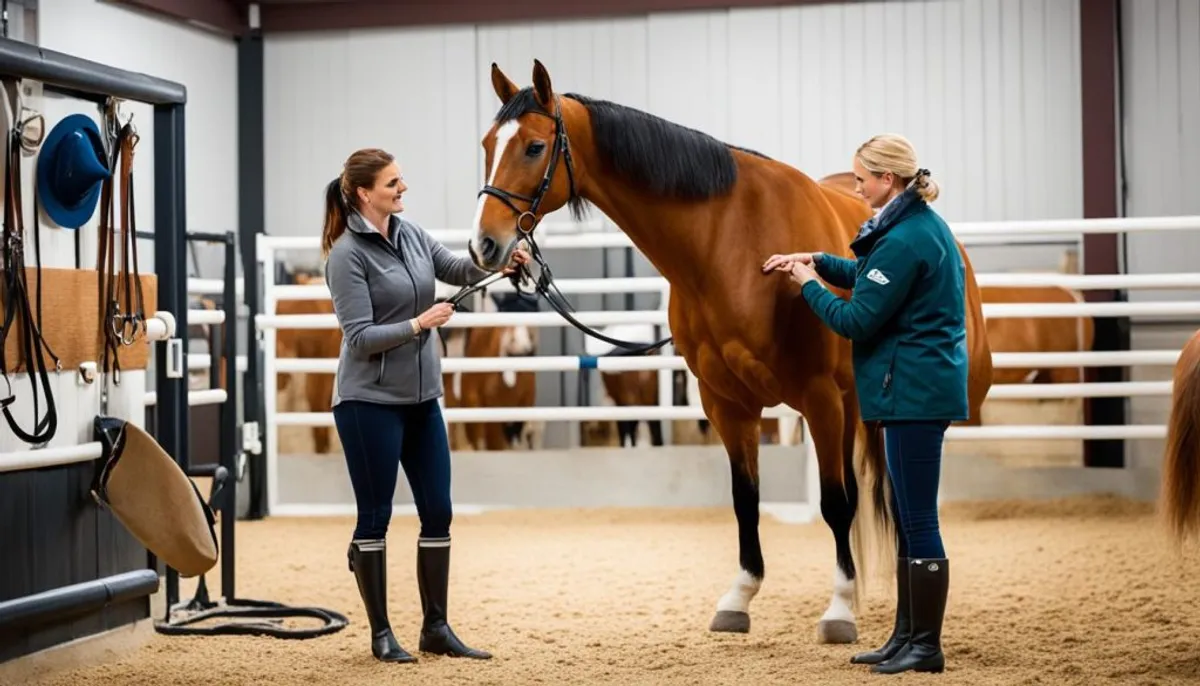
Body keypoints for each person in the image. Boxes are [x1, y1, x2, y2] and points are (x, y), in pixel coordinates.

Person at [761, 133, 965, 675]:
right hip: (911, 389)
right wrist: (817, 259)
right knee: (906, 512)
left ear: (887, 180)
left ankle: (926, 644)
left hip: (913, 394)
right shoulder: (911, 227)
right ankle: (906, 635)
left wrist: (807, 284)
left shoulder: (905, 239)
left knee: (918, 518)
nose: (854, 187)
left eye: (860, 179)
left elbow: (856, 319)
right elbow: (868, 276)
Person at [321, 147, 529, 664]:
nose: (402, 188)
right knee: (376, 516)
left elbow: (457, 268)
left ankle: (435, 626)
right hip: (367, 401)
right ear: (365, 192)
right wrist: (420, 324)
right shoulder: (346, 254)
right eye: (393, 182)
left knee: (438, 510)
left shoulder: (410, 235)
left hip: (421, 398)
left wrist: (503, 261)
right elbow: (359, 337)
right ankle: (381, 634)